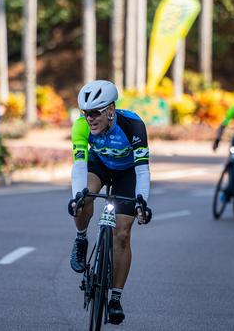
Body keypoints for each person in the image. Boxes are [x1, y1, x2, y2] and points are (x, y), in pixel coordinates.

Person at [67, 80, 152, 325]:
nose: (89, 118)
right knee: (84, 199)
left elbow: (143, 170)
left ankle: (115, 297)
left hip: (127, 174)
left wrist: (141, 202)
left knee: (123, 233)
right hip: (98, 166)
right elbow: (79, 166)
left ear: (111, 110)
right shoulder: (81, 127)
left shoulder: (133, 125)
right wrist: (77, 196)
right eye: (86, 113)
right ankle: (81, 239)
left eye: (95, 113)